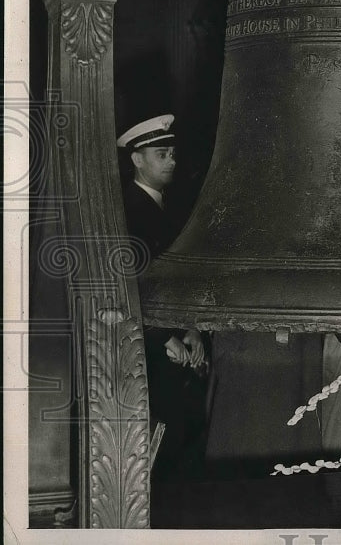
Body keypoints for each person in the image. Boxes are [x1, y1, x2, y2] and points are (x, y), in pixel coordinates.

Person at [117, 114, 208, 479]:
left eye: (172, 153)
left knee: (178, 444)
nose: (172, 161)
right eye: (161, 154)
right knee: (155, 453)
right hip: (146, 350)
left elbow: (178, 279)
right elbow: (128, 284)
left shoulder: (169, 207)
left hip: (175, 346)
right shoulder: (126, 211)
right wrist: (163, 337)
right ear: (137, 159)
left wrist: (193, 328)